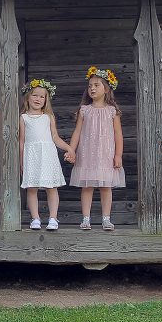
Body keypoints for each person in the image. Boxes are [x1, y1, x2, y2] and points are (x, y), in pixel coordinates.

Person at [69, 67, 125, 231]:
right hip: (87, 154)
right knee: (87, 186)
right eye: (90, 86)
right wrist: (71, 150)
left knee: (106, 186)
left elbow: (118, 134)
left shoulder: (112, 111)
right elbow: (77, 132)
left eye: (96, 85)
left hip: (105, 154)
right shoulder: (84, 110)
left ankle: (106, 219)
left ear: (106, 89)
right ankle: (86, 218)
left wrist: (118, 155)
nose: (92, 88)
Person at [19, 79, 73, 231]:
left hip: (48, 155)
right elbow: (21, 141)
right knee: (32, 187)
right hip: (31, 155)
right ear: (28, 97)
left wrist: (69, 148)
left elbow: (55, 138)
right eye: (35, 95)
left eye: (42, 97)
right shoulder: (23, 118)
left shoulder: (48, 117)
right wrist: (22, 161)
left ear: (46, 100)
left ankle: (53, 218)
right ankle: (35, 218)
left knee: (51, 187)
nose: (38, 99)